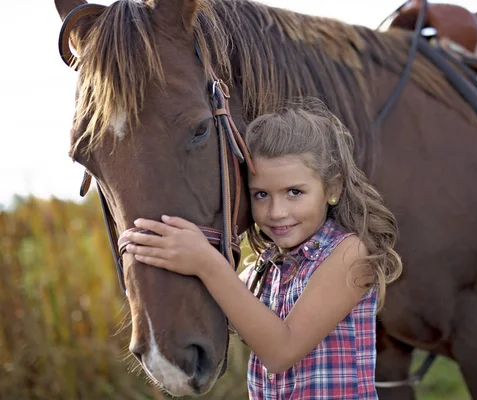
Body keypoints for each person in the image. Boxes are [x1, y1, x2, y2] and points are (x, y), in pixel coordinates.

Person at [123, 99, 403, 399]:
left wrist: (206, 263)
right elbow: (227, 308)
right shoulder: (266, 266)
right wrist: (154, 258)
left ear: (332, 189)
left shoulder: (349, 254)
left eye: (294, 192)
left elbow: (281, 351)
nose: (277, 211)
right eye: (261, 194)